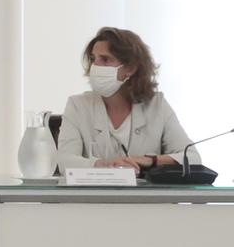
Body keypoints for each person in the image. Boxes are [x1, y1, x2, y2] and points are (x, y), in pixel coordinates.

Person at [55, 26, 192, 175]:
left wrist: (150, 160)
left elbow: (192, 157)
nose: (95, 66)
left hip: (144, 191)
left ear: (130, 68)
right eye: (94, 59)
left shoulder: (157, 105)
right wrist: (105, 166)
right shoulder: (78, 105)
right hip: (96, 190)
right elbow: (65, 161)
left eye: (105, 59)